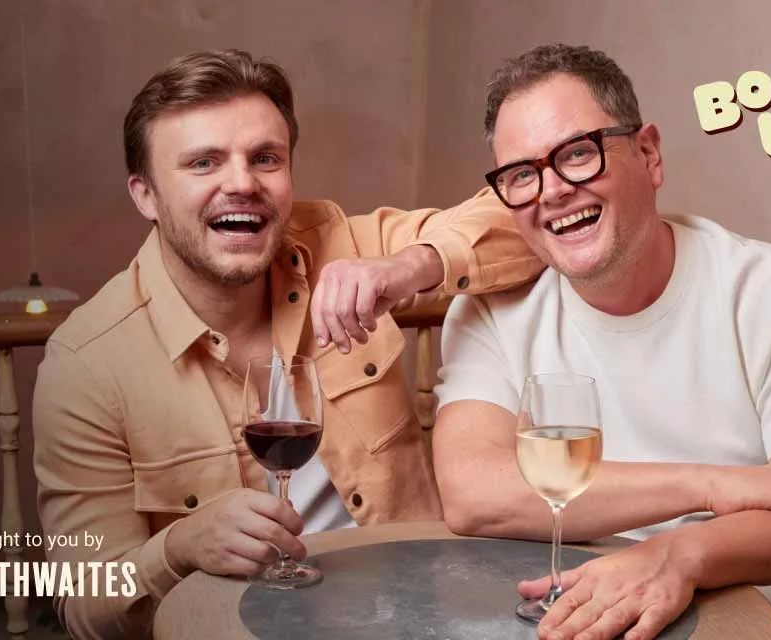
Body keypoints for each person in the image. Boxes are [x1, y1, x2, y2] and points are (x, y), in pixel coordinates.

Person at [32, 49, 543, 639]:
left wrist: (410, 265)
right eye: (203, 163)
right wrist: (177, 548)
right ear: (145, 194)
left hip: (415, 616)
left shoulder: (340, 241)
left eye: (266, 158)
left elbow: (530, 218)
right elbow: (87, 606)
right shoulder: (87, 363)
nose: (243, 183)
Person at [433, 44, 771, 640]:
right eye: (522, 174)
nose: (551, 192)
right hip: (592, 605)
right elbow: (474, 493)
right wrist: (713, 484)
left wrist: (676, 555)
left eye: (578, 153)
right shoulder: (489, 312)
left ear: (648, 154)